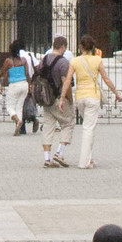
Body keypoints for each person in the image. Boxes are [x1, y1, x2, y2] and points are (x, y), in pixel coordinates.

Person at [71, 35, 122, 167]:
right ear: (93, 47)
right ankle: (84, 162)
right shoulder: (97, 60)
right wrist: (116, 93)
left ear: (80, 47)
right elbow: (106, 79)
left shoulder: (75, 61)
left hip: (80, 97)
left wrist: (61, 98)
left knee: (88, 127)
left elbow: (67, 81)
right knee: (88, 129)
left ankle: (89, 158)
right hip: (93, 97)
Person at [36, 37, 74, 167]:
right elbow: (66, 83)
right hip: (58, 98)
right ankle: (59, 152)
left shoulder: (44, 59)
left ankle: (47, 159)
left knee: (47, 127)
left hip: (46, 99)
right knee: (68, 123)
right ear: (62, 47)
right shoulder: (63, 63)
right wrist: (69, 99)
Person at [0, 43, 31, 134]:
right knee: (19, 107)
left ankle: (17, 120)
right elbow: (27, 73)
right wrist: (30, 84)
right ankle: (18, 128)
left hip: (14, 85)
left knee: (9, 106)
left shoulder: (9, 61)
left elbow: (2, 72)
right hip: (24, 84)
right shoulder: (23, 60)